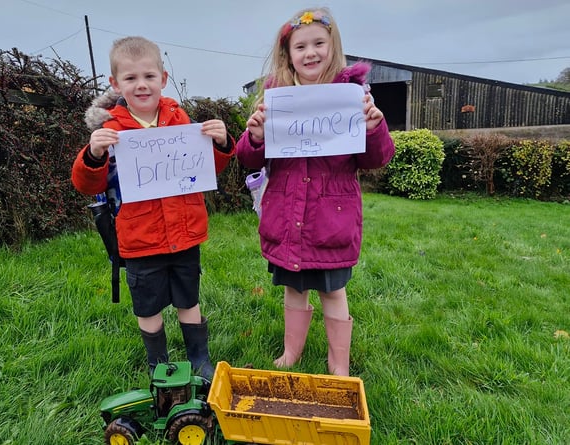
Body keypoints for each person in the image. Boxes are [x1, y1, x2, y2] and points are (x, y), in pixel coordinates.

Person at [236, 7, 395, 376]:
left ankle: (338, 364)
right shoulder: (275, 99)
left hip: (330, 218)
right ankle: (291, 352)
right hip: (287, 214)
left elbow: (375, 159)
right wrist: (256, 136)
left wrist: (374, 126)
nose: (310, 53)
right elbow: (247, 157)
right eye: (301, 46)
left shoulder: (353, 97)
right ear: (288, 55)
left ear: (333, 46)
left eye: (319, 43)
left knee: (332, 292)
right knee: (293, 288)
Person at [72, 36, 235, 379]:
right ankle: (158, 364)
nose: (141, 85)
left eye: (149, 76)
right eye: (131, 79)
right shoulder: (110, 130)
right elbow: (87, 184)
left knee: (188, 300)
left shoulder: (180, 119)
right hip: (140, 239)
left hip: (186, 234)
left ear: (163, 78)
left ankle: (199, 359)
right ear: (116, 84)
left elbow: (205, 169)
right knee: (147, 306)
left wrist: (221, 143)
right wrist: (94, 154)